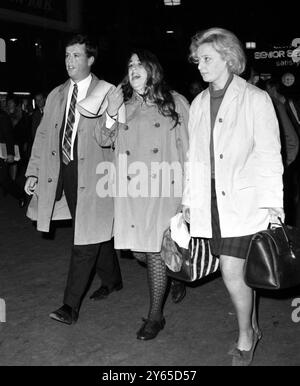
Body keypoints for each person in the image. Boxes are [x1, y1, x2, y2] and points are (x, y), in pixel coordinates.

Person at [182, 28, 284, 366]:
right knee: (237, 273)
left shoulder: (256, 98)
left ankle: (246, 335)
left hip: (245, 201)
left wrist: (274, 206)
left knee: (231, 271)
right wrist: (187, 201)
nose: (200, 66)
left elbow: (270, 155)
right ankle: (250, 324)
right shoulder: (197, 103)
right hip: (210, 201)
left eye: (207, 59)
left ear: (229, 58)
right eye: (198, 60)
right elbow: (192, 160)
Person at [24, 34, 123, 325]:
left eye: (76, 56)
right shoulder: (56, 94)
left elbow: (116, 136)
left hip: (96, 174)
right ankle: (113, 279)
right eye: (67, 56)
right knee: (92, 228)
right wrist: (33, 171)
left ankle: (70, 305)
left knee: (84, 236)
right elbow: (43, 136)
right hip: (63, 172)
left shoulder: (106, 92)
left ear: (90, 60)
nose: (70, 61)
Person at [94, 49, 189, 340]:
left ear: (152, 69)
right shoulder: (122, 105)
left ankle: (155, 317)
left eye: (139, 64)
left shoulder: (174, 101)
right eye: (129, 64)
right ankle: (174, 272)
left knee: (153, 251)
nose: (133, 68)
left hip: (164, 189)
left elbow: (189, 150)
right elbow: (102, 138)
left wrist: (189, 197)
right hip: (132, 190)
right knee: (138, 251)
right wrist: (110, 110)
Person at [0, 106, 26, 205]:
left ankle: (20, 195)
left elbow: (8, 135)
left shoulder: (2, 116)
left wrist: (10, 153)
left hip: (2, 153)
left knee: (4, 179)